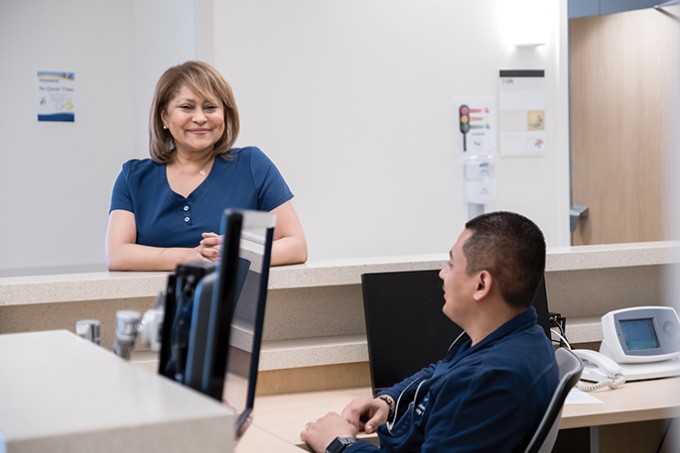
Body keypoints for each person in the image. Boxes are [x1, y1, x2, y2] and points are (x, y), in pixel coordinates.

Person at [301, 211, 558, 453]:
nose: (442, 273)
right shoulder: (522, 337)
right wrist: (388, 401)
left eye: (451, 264)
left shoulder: (484, 380)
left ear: (481, 284)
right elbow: (439, 371)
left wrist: (339, 444)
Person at [106, 61, 307, 271]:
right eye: (186, 107)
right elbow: (117, 254)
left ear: (225, 115)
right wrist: (192, 256)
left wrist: (235, 253)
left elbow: (296, 246)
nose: (200, 118)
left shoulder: (252, 165)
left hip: (234, 303)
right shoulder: (133, 177)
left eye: (210, 107)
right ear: (164, 116)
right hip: (152, 303)